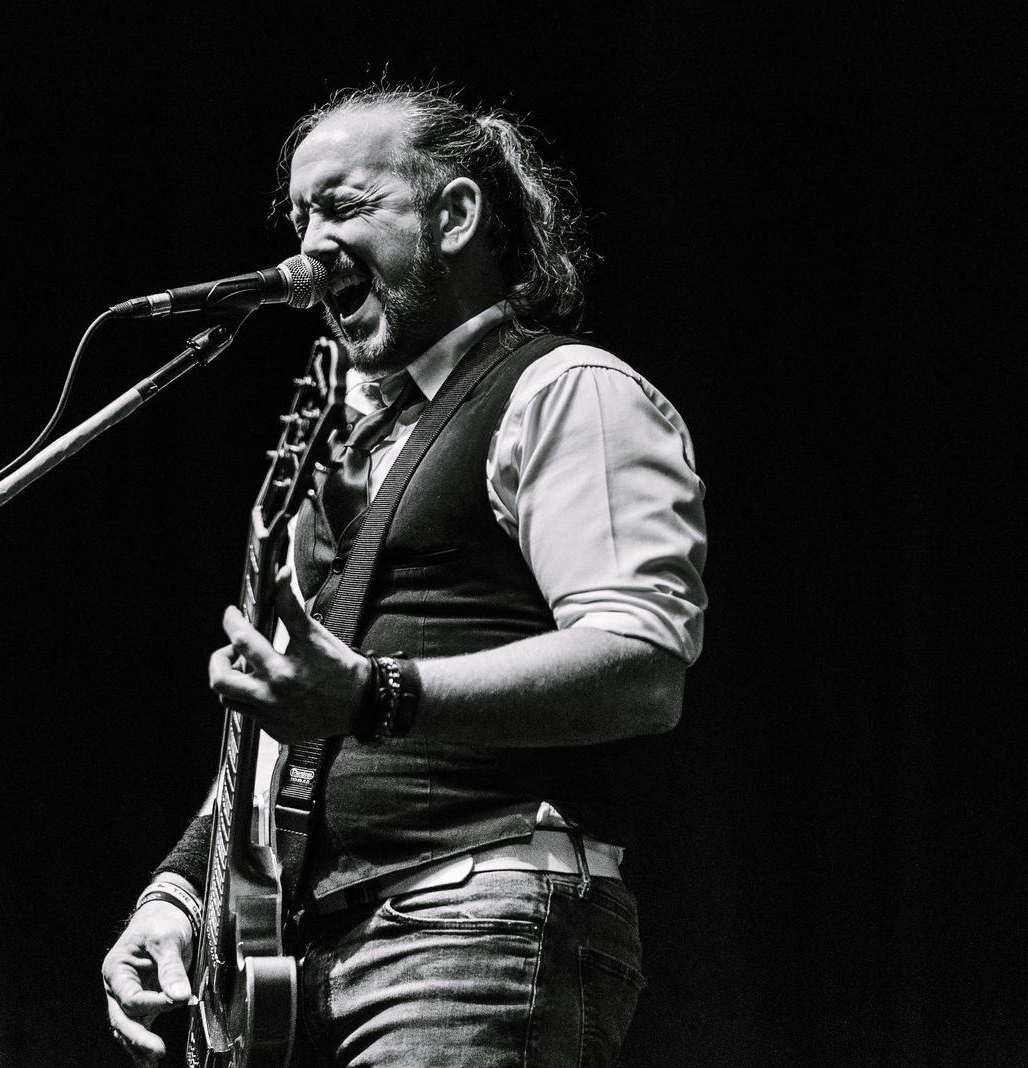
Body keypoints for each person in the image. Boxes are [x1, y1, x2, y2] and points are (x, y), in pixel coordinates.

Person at [102, 83, 707, 1068]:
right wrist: (177, 891)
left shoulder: (566, 390)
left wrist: (376, 694)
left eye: (343, 206)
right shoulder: (341, 451)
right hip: (310, 958)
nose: (311, 244)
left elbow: (641, 666)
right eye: (299, 217)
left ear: (455, 215)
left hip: (474, 928)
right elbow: (278, 726)